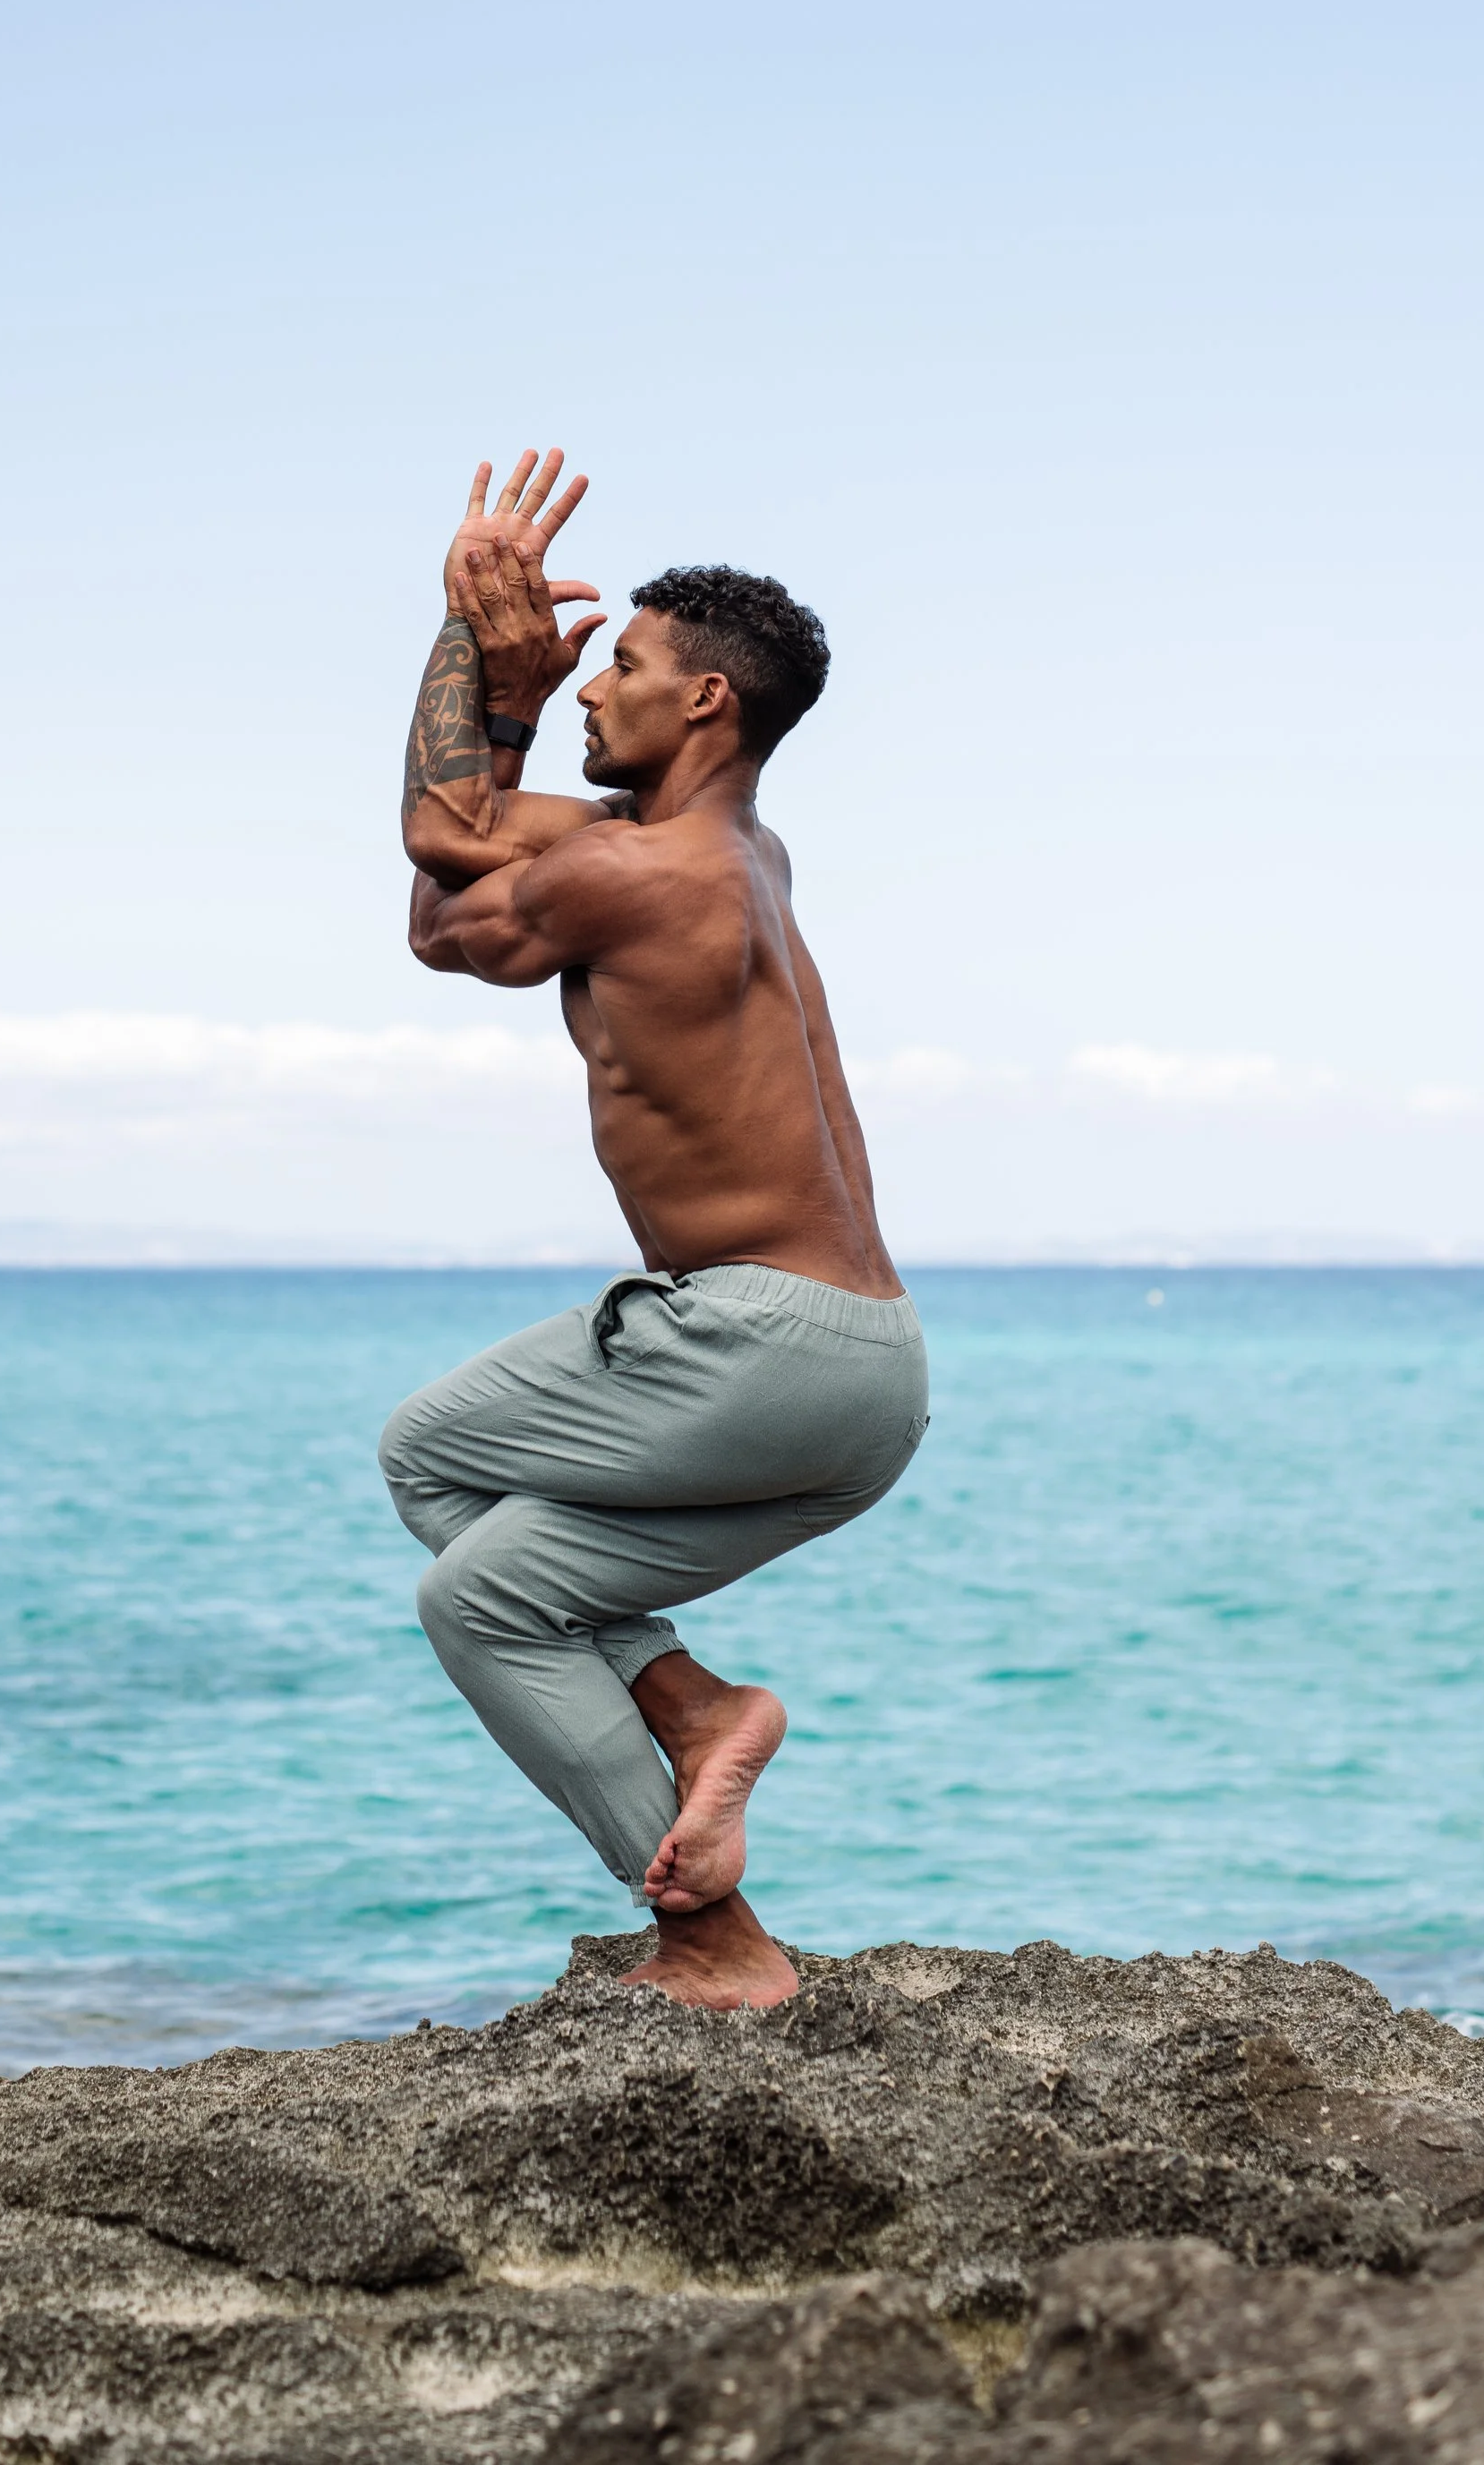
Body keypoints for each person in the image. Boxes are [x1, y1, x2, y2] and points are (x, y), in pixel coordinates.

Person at [379, 449, 928, 2009]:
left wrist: (475, 657)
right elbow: (463, 881)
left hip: (752, 1336)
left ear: (706, 706)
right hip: (870, 1372)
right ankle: (693, 1708)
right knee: (502, 1573)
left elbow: (439, 857)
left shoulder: (636, 874)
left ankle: (711, 1940)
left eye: (621, 667)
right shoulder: (739, 856)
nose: (593, 687)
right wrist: (507, 695)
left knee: (431, 1472)